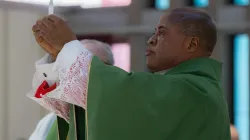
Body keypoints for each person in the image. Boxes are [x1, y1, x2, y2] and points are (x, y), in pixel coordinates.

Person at [30, 7, 231, 140]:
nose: (151, 40)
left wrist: (69, 49)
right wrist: (62, 55)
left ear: (191, 44)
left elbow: (119, 92)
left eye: (161, 32)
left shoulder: (195, 92)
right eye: (153, 32)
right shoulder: (187, 87)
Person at [28, 39, 114, 140]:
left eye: (97, 66)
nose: (88, 74)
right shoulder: (49, 123)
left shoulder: (119, 117)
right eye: (80, 67)